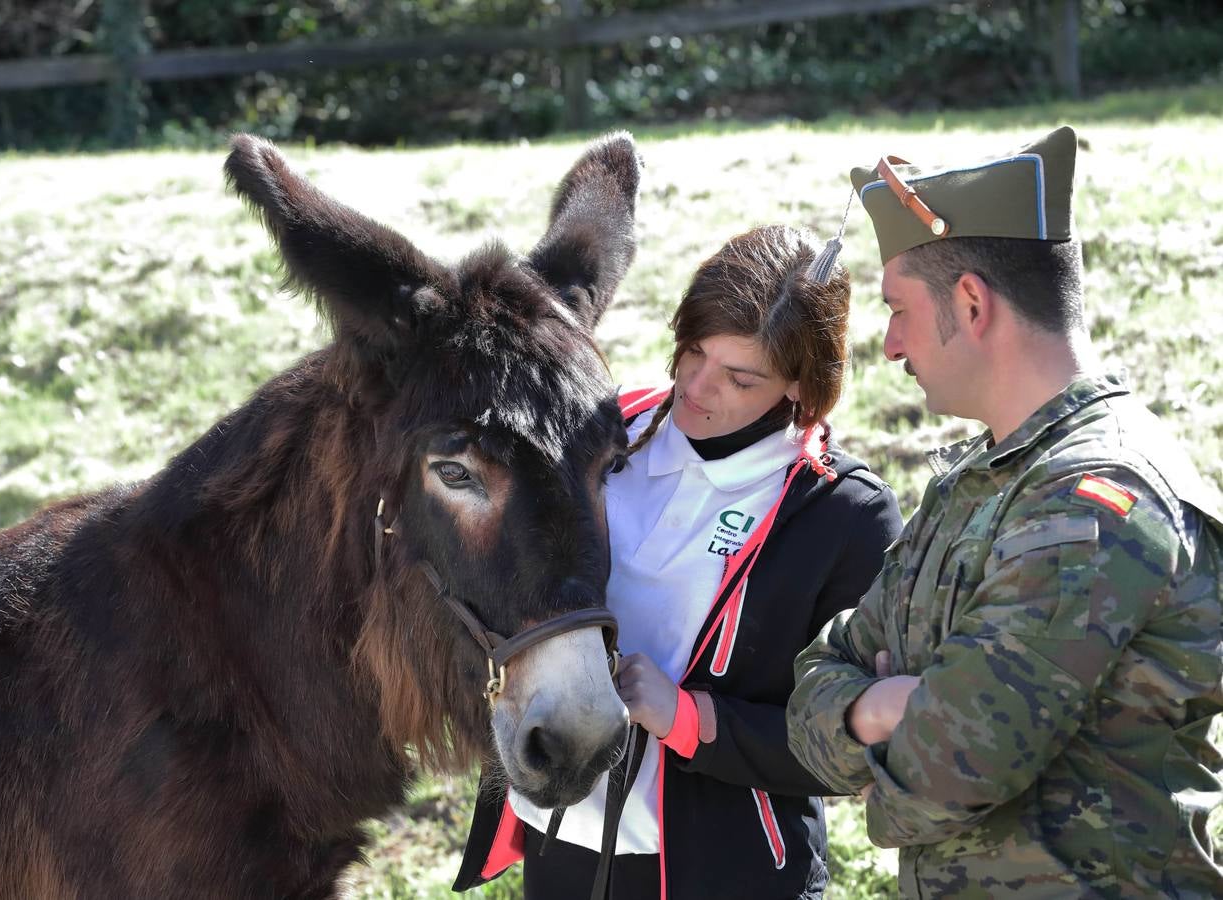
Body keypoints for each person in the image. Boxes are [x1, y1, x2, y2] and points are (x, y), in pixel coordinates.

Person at [785, 126, 1223, 898]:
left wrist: (883, 742)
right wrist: (884, 708)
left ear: (972, 302)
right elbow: (813, 687)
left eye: (897, 310)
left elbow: (957, 763)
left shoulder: (1094, 497)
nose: (888, 345)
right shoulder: (981, 484)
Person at [454, 224, 902, 899]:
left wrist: (688, 718)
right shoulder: (595, 435)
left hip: (726, 872)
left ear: (804, 389)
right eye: (693, 350)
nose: (695, 386)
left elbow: (848, 747)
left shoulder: (845, 516)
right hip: (558, 846)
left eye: (739, 377)